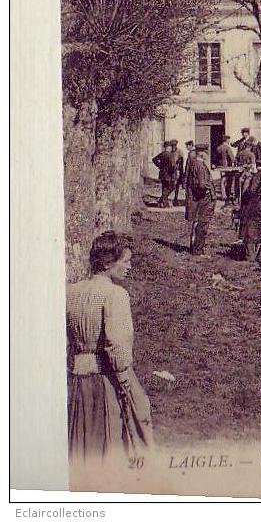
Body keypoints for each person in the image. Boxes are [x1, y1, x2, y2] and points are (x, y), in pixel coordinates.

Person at [67, 231, 153, 468]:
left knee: (82, 441)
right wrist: (127, 383)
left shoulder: (71, 292)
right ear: (107, 262)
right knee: (112, 441)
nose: (130, 266)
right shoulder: (115, 295)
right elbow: (117, 345)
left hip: (76, 380)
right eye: (125, 261)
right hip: (105, 379)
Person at [187, 143, 216, 255]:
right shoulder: (199, 165)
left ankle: (195, 248)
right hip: (205, 199)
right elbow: (202, 185)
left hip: (199, 198)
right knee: (203, 224)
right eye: (206, 152)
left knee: (197, 223)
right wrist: (209, 187)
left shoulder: (194, 163)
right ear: (202, 153)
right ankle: (198, 250)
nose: (207, 154)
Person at [152, 141, 178, 208]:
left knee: (164, 188)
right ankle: (163, 201)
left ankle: (163, 202)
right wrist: (174, 172)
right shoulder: (170, 155)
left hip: (162, 174)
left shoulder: (162, 154)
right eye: (171, 147)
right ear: (168, 147)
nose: (172, 148)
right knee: (171, 187)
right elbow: (172, 166)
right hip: (169, 175)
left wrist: (159, 166)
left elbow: (154, 159)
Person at [215, 135, 237, 204]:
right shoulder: (227, 148)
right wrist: (235, 162)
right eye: (228, 140)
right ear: (226, 140)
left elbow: (216, 157)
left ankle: (223, 195)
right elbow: (232, 158)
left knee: (222, 180)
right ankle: (227, 195)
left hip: (221, 166)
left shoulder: (218, 148)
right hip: (228, 167)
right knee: (229, 181)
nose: (229, 141)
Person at [170, 139, 185, 204]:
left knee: (177, 185)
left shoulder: (179, 151)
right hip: (170, 170)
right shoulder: (170, 152)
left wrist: (180, 170)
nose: (173, 147)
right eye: (172, 145)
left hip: (177, 170)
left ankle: (175, 199)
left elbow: (181, 162)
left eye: (174, 145)